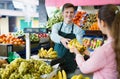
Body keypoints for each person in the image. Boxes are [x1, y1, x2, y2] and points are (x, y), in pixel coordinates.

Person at [69, 4, 120, 79]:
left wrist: (77, 53)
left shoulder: (104, 50)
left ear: (102, 23)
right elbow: (105, 59)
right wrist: (88, 52)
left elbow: (84, 68)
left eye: (97, 20)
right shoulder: (115, 43)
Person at [50, 3, 85, 73]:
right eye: (67, 12)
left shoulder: (78, 30)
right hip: (56, 62)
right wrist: (62, 39)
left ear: (74, 14)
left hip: (70, 63)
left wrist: (81, 49)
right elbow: (53, 35)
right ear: (62, 13)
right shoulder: (56, 26)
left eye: (71, 12)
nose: (69, 14)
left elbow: (79, 45)